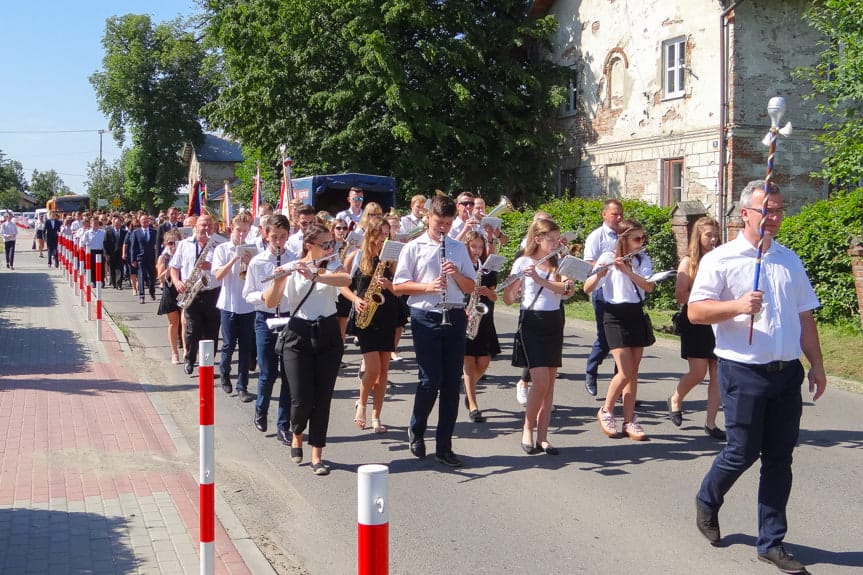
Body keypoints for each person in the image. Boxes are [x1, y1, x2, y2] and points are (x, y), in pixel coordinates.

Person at [690, 181, 826, 574]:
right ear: (744, 214)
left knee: (780, 459)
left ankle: (771, 541)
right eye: (767, 210)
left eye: (780, 210)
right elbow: (697, 312)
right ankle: (707, 499)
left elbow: (804, 316)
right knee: (741, 451)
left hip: (786, 374)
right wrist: (736, 305)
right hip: (742, 370)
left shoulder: (789, 260)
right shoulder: (722, 259)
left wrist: (816, 364)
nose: (775, 217)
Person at [393, 194, 475, 468]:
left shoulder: (457, 247)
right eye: (440, 221)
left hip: (453, 312)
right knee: (430, 380)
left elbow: (470, 287)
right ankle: (416, 429)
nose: (444, 227)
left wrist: (455, 274)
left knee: (452, 383)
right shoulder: (413, 247)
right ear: (428, 217)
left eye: (449, 223)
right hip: (425, 315)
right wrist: (427, 287)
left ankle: (445, 446)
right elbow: (399, 285)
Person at [262, 223, 351, 476]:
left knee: (323, 398)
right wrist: (281, 277)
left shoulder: (332, 265)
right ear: (309, 246)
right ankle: (297, 434)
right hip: (298, 334)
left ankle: (317, 454)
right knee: (302, 398)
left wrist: (315, 275)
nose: (329, 248)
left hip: (328, 333)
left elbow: (345, 279)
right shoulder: (292, 265)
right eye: (324, 245)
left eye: (331, 244)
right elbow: (271, 301)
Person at [503, 219, 571, 455]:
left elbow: (566, 291)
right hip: (532, 322)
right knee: (540, 382)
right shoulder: (523, 261)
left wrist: (541, 279)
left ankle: (543, 436)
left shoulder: (559, 262)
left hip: (553, 322)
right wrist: (514, 284)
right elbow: (508, 300)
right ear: (538, 239)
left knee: (550, 385)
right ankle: (527, 428)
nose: (555, 244)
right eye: (550, 240)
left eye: (556, 239)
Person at [584, 219, 654, 441]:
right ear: (624, 239)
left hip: (635, 314)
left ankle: (629, 419)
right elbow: (587, 287)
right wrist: (600, 274)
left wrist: (628, 271)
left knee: (633, 373)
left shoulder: (642, 259)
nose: (641, 242)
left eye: (643, 238)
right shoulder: (606, 257)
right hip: (613, 315)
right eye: (636, 238)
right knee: (624, 370)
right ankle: (606, 410)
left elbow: (649, 286)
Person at [668, 217, 725, 440]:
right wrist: (705, 298)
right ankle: (675, 398)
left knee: (717, 374)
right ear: (698, 236)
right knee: (698, 372)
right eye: (708, 235)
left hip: (718, 319)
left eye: (715, 235)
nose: (713, 239)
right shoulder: (688, 262)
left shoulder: (721, 259)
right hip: (695, 320)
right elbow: (680, 294)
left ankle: (710, 423)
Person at [342, 218, 399, 434]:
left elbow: (402, 290)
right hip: (366, 315)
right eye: (380, 233)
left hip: (387, 314)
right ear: (371, 234)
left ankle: (377, 416)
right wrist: (356, 300)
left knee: (384, 371)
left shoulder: (392, 259)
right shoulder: (358, 256)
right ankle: (362, 403)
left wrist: (390, 285)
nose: (383, 238)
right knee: (373, 368)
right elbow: (343, 286)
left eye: (386, 234)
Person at [243, 214, 295, 439]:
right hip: (264, 318)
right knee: (267, 372)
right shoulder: (258, 261)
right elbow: (247, 294)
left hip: (288, 318)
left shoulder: (293, 258)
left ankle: (283, 424)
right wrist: (264, 297)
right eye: (274, 237)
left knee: (288, 374)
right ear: (266, 235)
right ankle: (261, 411)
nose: (279, 242)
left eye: (283, 237)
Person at [171, 214, 223, 375]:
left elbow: (227, 269)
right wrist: (177, 282)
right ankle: (189, 359)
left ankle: (206, 365)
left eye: (209, 225)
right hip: (192, 292)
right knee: (192, 330)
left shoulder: (220, 244)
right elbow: (174, 267)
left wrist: (212, 265)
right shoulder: (184, 244)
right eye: (202, 225)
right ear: (196, 227)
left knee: (211, 331)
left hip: (213, 292)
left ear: (214, 227)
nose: (205, 228)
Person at [213, 212, 257, 402]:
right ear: (232, 228)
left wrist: (250, 262)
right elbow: (218, 276)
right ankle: (224, 374)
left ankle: (242, 386)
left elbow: (257, 277)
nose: (241, 234)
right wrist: (234, 258)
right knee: (229, 344)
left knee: (246, 347)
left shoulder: (253, 249)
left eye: (245, 231)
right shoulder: (222, 249)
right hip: (229, 304)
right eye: (239, 230)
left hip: (247, 306)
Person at [583, 199, 624, 397]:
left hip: (622, 292)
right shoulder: (596, 236)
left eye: (620, 214)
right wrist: (605, 265)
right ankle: (591, 370)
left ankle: (620, 387)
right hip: (601, 291)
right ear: (604, 215)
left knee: (623, 341)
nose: (619, 218)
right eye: (615, 214)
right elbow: (588, 263)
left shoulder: (625, 234)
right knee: (605, 338)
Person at [462, 229, 501, 423]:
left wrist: (487, 292)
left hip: (484, 317)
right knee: (469, 363)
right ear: (466, 246)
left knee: (484, 362)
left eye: (480, 247)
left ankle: (469, 393)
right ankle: (474, 405)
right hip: (465, 316)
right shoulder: (461, 267)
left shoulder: (488, 268)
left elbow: (495, 296)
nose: (477, 250)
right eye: (473, 246)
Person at [157, 229, 183, 364]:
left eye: (176, 243)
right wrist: (171, 266)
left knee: (185, 322)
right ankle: (174, 352)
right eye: (170, 243)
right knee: (174, 323)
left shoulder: (184, 254)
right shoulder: (164, 257)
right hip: (170, 290)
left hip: (183, 289)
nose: (173, 246)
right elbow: (160, 277)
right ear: (165, 244)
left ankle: (187, 350)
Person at [129, 214, 158, 303]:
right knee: (141, 275)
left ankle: (152, 291)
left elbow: (157, 245)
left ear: (149, 221)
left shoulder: (154, 232)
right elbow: (133, 247)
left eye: (146, 220)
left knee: (152, 276)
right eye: (143, 221)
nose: (145, 222)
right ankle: (142, 296)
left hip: (151, 257)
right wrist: (133, 259)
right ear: (140, 222)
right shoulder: (136, 232)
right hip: (141, 257)